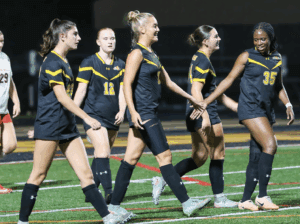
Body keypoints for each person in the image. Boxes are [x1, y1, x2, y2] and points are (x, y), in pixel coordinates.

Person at [17, 19, 130, 224]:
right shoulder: (52, 62)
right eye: (75, 34)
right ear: (62, 36)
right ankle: (22, 221)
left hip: (67, 127)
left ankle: (107, 217)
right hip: (51, 126)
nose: (79, 37)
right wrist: (87, 117)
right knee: (38, 175)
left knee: (86, 175)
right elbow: (61, 98)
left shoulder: (64, 60)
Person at [107, 10, 211, 219]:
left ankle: (114, 205)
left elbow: (168, 82)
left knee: (131, 157)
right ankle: (187, 203)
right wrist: (133, 112)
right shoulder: (136, 53)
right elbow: (126, 83)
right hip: (144, 114)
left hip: (148, 112)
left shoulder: (151, 53)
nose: (158, 29)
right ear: (142, 29)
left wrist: (190, 98)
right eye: (154, 25)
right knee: (165, 157)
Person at [198, 22, 295, 211]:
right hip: (250, 108)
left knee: (256, 156)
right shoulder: (246, 56)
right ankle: (263, 196)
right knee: (270, 145)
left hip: (266, 111)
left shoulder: (277, 57)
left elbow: (278, 85)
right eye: (256, 39)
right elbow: (228, 80)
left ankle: (245, 200)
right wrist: (207, 101)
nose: (259, 42)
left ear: (270, 39)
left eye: (263, 39)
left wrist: (288, 104)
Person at [152, 25, 239, 208]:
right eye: (216, 36)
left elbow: (213, 91)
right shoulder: (203, 60)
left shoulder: (200, 58)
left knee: (199, 156)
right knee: (218, 153)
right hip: (204, 113)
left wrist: (235, 107)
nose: (219, 39)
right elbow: (196, 90)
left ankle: (164, 180)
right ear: (206, 41)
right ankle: (220, 199)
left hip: (191, 113)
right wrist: (205, 116)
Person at [73, 27, 126, 204]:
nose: (110, 41)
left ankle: (91, 192)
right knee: (103, 151)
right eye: (105, 38)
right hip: (93, 115)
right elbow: (80, 91)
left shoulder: (121, 64)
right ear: (98, 42)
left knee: (101, 153)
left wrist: (122, 109)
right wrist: (73, 112)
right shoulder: (89, 62)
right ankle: (109, 193)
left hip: (113, 117)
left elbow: (123, 91)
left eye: (112, 38)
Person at [0, 30, 21, 194]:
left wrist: (16, 100)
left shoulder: (5, 58)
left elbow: (10, 81)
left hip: (3, 110)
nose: (0, 44)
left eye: (2, 41)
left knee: (10, 145)